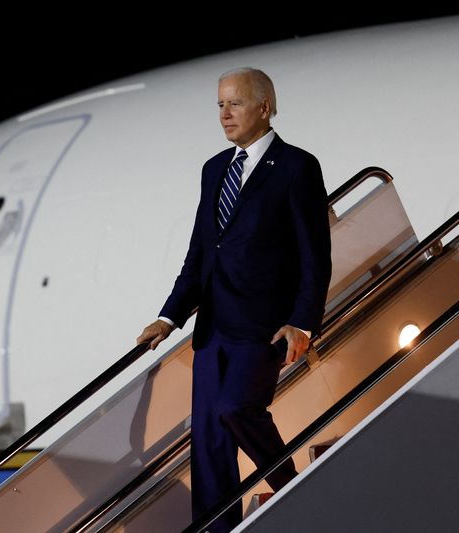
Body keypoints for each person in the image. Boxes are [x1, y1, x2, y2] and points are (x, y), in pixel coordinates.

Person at [136, 67, 332, 532]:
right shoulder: (214, 169)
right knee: (208, 443)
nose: (224, 114)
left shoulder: (296, 167)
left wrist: (303, 323)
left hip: (264, 325)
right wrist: (168, 317)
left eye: (235, 103)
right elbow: (201, 251)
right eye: (220, 105)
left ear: (264, 107)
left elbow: (315, 255)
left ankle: (294, 485)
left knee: (236, 409)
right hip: (212, 328)